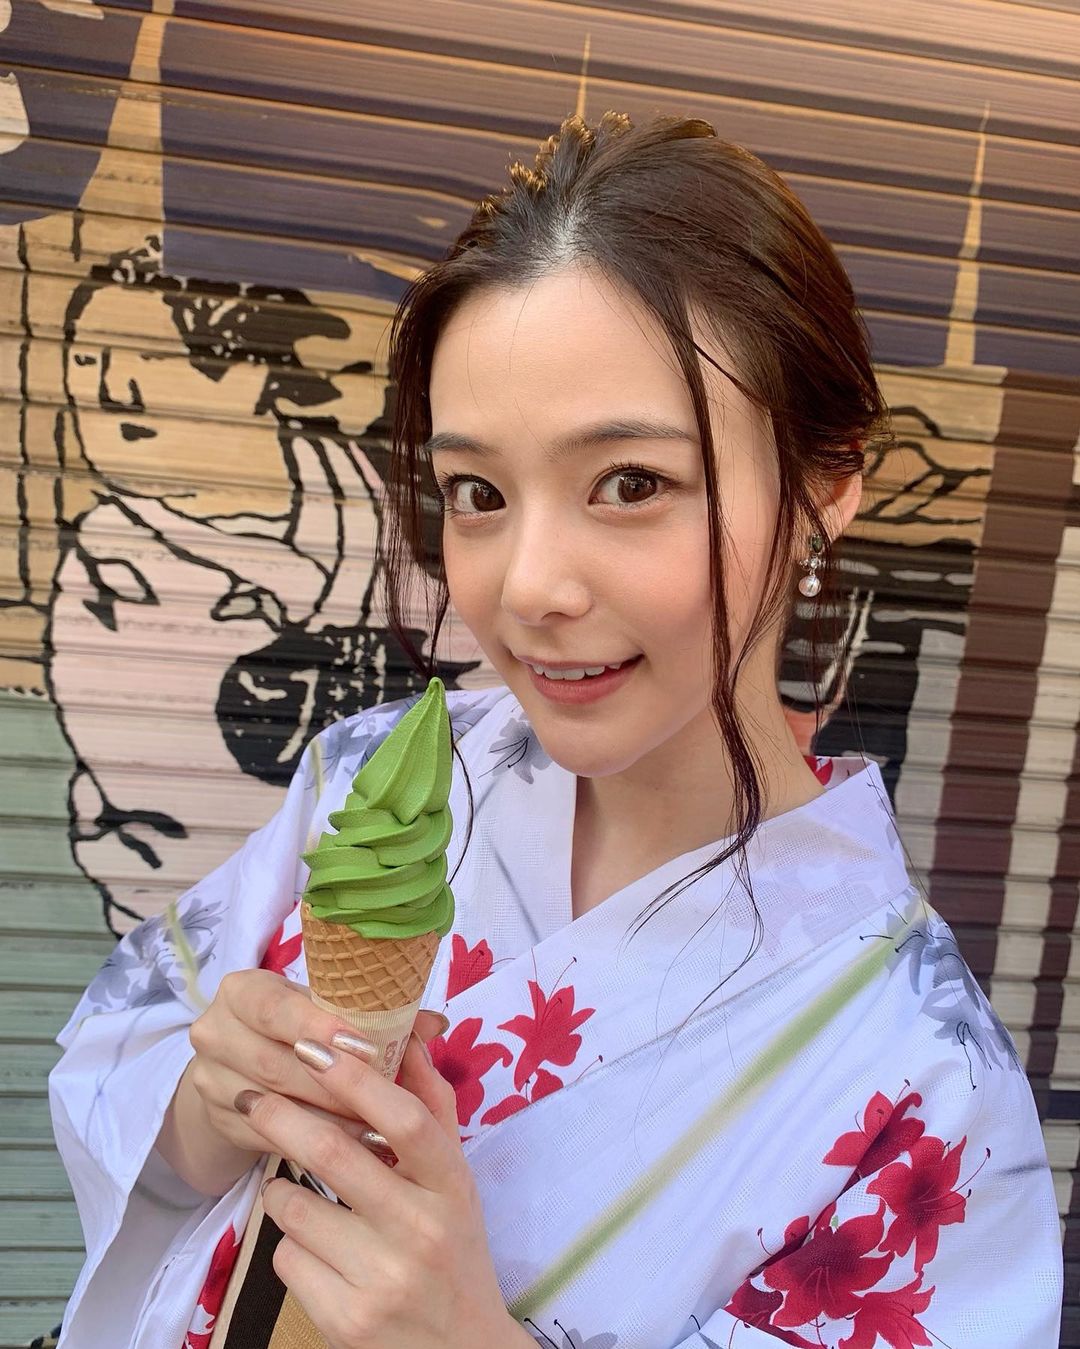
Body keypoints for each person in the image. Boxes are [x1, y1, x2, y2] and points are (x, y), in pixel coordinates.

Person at [48, 111, 1063, 1349]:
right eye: (477, 491)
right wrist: (207, 1107)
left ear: (826, 480)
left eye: (631, 483)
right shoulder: (376, 784)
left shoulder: (925, 1082)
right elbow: (128, 1059)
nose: (526, 586)